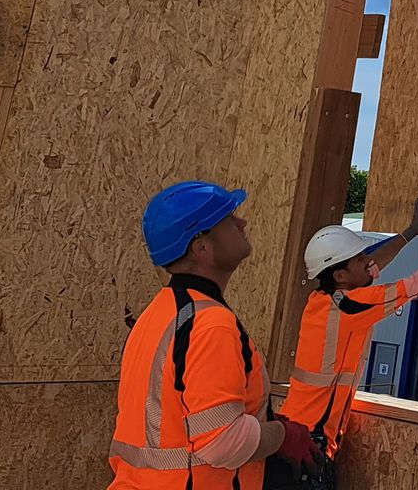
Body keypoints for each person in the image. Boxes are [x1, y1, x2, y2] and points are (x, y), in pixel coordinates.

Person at [278, 191, 418, 474]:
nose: (368, 260)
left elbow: (370, 266)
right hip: (309, 449)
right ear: (340, 275)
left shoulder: (323, 299)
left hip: (291, 435)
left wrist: (411, 233)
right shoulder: (351, 305)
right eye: (359, 257)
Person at [109, 181, 317, 489]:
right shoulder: (210, 324)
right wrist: (285, 435)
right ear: (201, 247)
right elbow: (224, 442)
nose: (241, 222)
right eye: (228, 218)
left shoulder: (159, 313)